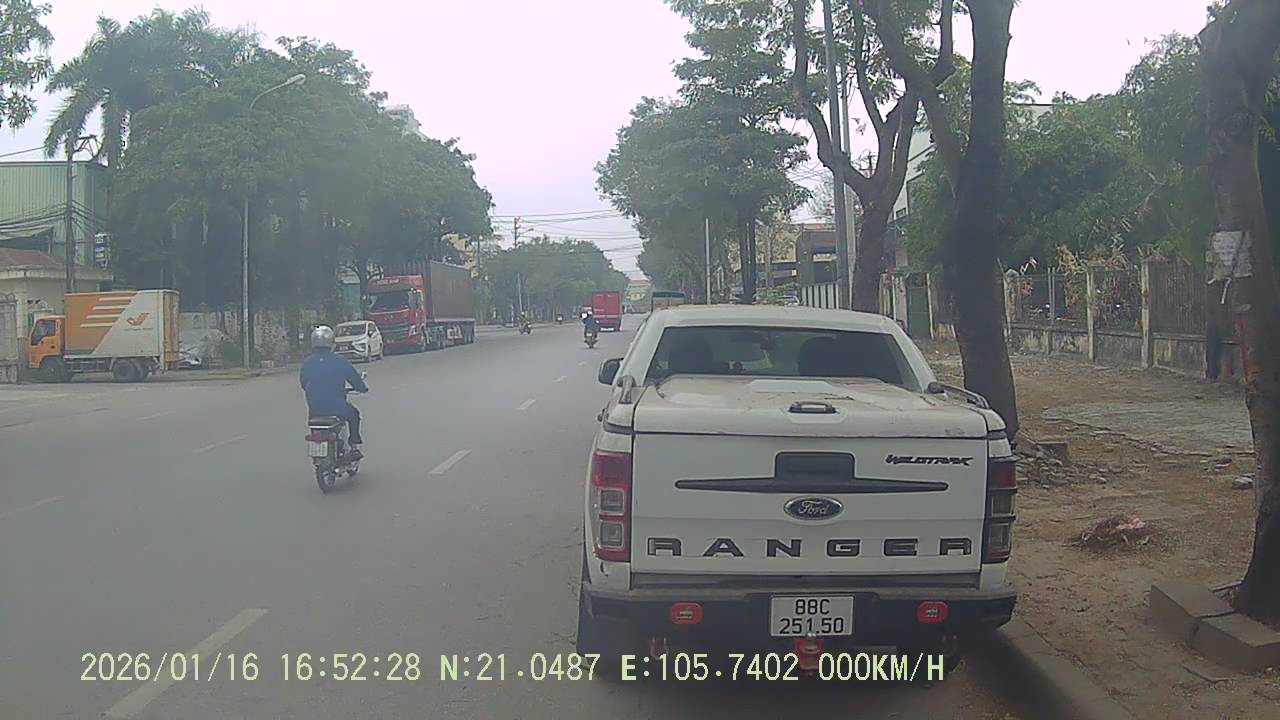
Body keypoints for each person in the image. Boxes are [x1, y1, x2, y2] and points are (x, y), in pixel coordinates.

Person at [301, 325, 369, 460]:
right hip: (338, 407)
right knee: (354, 414)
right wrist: (362, 388)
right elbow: (355, 380)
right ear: (331, 343)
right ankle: (354, 446)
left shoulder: (308, 363)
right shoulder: (340, 361)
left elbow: (303, 383)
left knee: (315, 429)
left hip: (315, 410)